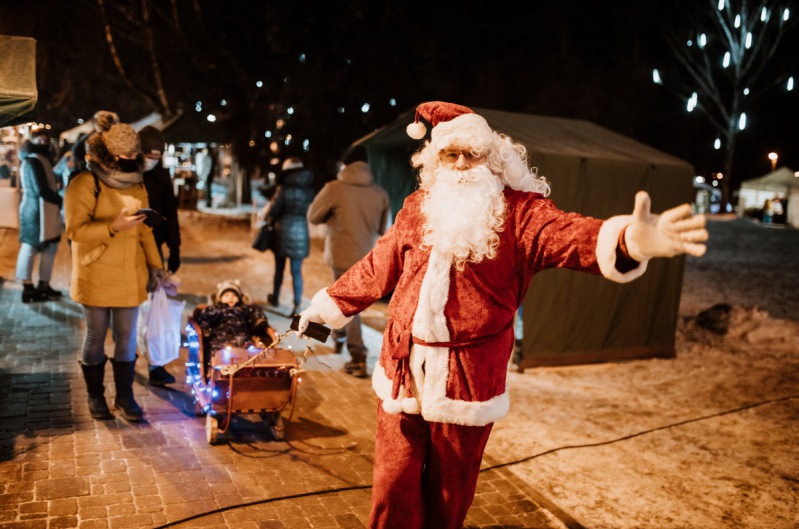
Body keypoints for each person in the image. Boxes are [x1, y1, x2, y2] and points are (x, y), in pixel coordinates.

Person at [297, 101, 709, 528]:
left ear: (493, 159)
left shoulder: (520, 214)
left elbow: (569, 235)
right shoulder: (418, 206)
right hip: (401, 369)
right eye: (449, 154)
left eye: (471, 154)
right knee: (392, 486)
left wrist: (627, 240)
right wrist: (326, 310)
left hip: (467, 380)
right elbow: (377, 265)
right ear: (435, 159)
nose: (460, 164)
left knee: (447, 495)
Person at [64, 111, 163, 422]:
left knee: (127, 337)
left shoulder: (136, 183)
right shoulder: (84, 182)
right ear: (107, 153)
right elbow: (75, 231)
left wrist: (156, 266)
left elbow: (145, 229)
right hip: (95, 272)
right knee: (95, 335)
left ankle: (125, 396)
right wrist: (113, 226)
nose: (131, 158)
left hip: (130, 274)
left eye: (134, 153)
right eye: (125, 153)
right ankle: (96, 396)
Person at [306, 145, 390, 378]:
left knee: (347, 304)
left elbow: (314, 216)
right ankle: (340, 337)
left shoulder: (334, 188)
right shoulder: (380, 193)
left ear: (346, 164)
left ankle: (357, 354)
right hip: (367, 255)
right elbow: (385, 227)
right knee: (351, 301)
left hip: (341, 254)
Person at [139, 125, 182, 386]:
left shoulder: (162, 177)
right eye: (148, 156)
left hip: (154, 250)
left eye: (156, 158)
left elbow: (171, 214)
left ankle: (156, 366)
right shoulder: (126, 174)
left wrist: (175, 248)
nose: (152, 162)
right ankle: (128, 358)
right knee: (131, 310)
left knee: (154, 308)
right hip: (128, 251)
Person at [15, 127, 64, 303]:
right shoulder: (33, 160)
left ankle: (43, 285)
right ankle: (27, 287)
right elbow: (42, 189)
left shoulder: (39, 158)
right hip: (35, 211)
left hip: (42, 209)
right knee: (30, 246)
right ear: (33, 139)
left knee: (48, 247)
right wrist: (61, 201)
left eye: (46, 137)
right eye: (39, 137)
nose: (44, 140)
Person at [266, 156, 315, 316]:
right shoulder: (309, 188)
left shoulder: (283, 187)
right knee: (296, 271)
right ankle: (297, 305)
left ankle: (275, 298)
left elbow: (274, 211)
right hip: (301, 230)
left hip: (282, 231)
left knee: (279, 269)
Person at [193, 279, 274, 353]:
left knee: (251, 352)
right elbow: (205, 318)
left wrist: (259, 322)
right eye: (226, 295)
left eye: (234, 296)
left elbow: (255, 313)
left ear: (239, 298)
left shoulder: (244, 309)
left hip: (242, 340)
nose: (230, 298)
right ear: (220, 298)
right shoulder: (216, 309)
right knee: (215, 351)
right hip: (221, 341)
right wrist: (205, 329)